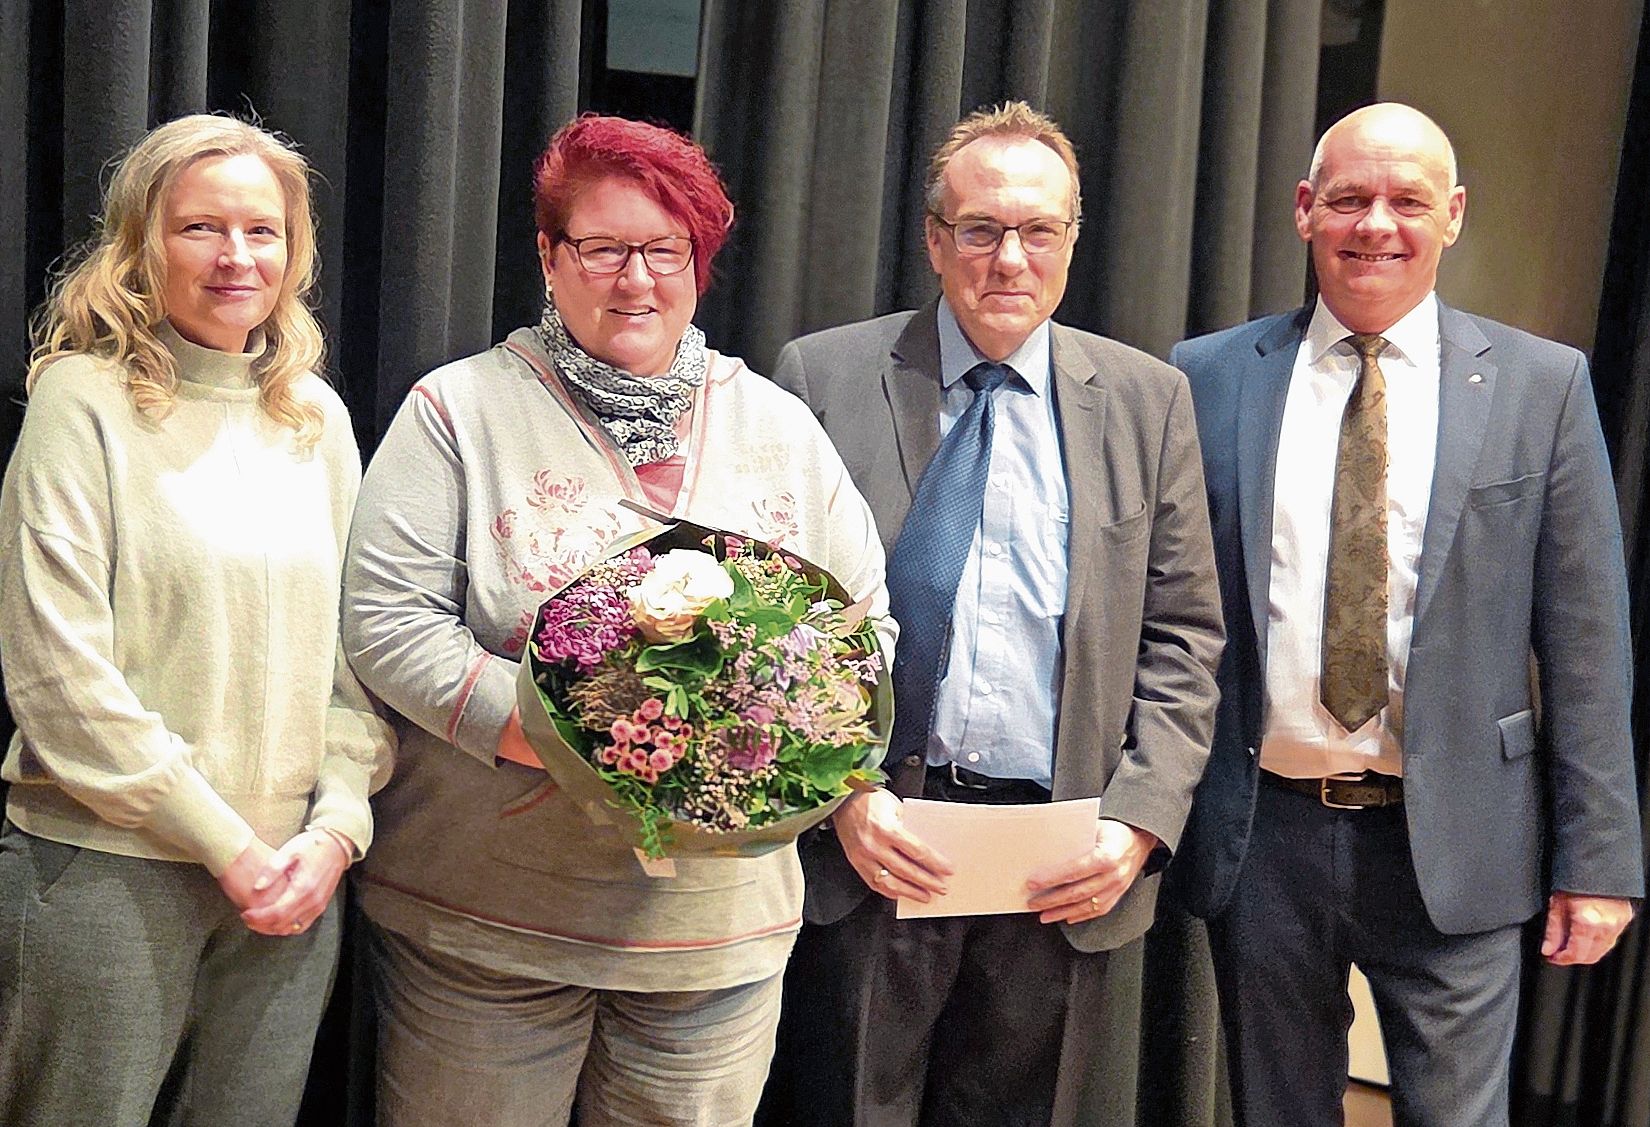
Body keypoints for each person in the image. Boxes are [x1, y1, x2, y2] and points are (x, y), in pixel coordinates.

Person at [340, 113, 890, 1127]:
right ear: (550, 258)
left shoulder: (778, 427)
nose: (636, 279)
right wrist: (572, 736)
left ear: (700, 261)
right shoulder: (458, 411)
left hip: (715, 947)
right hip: (489, 931)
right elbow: (386, 622)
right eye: (603, 248)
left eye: (665, 250)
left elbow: (861, 627)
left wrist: (772, 744)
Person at [1169, 102, 1644, 1127]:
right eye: (1348, 197)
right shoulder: (1204, 377)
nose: (1375, 224)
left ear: (1454, 215)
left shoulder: (1541, 385)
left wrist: (1598, 861)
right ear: (1304, 210)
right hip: (1264, 837)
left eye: (1407, 200)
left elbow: (1587, 644)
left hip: (1463, 835)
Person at [758, 101, 1224, 1127]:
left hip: (1057, 869)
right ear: (935, 239)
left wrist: (1140, 820)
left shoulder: (1150, 402)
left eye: (1038, 230)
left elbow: (1186, 637)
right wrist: (839, 790)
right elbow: (773, 623)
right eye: (981, 229)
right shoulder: (824, 378)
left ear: (1070, 240)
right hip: (875, 845)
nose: (1010, 257)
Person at [0, 114, 395, 1126]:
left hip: (295, 885)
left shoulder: (315, 416)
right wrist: (226, 842)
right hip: (108, 870)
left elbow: (358, 667)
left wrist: (336, 833)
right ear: (142, 243)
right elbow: (59, 678)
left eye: (263, 232)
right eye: (201, 229)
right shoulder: (80, 402)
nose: (236, 258)